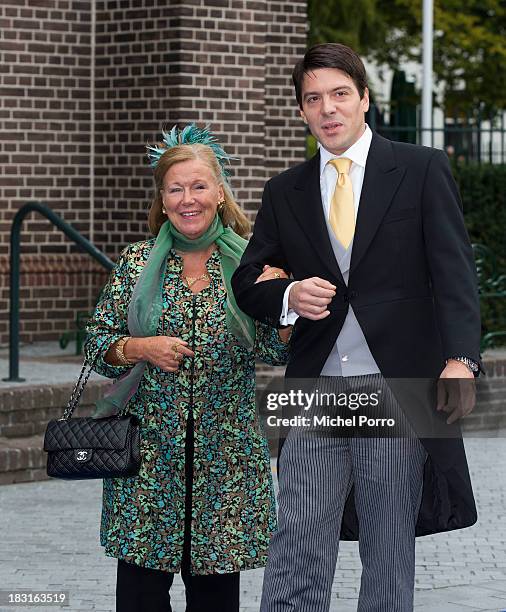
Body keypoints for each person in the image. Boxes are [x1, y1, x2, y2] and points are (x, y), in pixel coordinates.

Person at [231, 43, 481, 611]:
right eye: (313, 99)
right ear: (301, 111)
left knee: (389, 543)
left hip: (395, 387)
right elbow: (247, 281)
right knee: (296, 535)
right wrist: (290, 294)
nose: (328, 109)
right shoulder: (284, 190)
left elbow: (455, 274)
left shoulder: (419, 169)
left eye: (340, 94)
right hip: (316, 387)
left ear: (365, 99)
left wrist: (461, 360)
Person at [84, 125, 291, 612]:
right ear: (162, 197)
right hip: (147, 462)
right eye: (175, 188)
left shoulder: (250, 265)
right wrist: (139, 347)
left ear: (219, 192)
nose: (187, 199)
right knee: (140, 596)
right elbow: (98, 343)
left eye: (199, 186)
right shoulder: (137, 262)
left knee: (216, 599)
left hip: (227, 462)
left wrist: (283, 303)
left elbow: (278, 352)